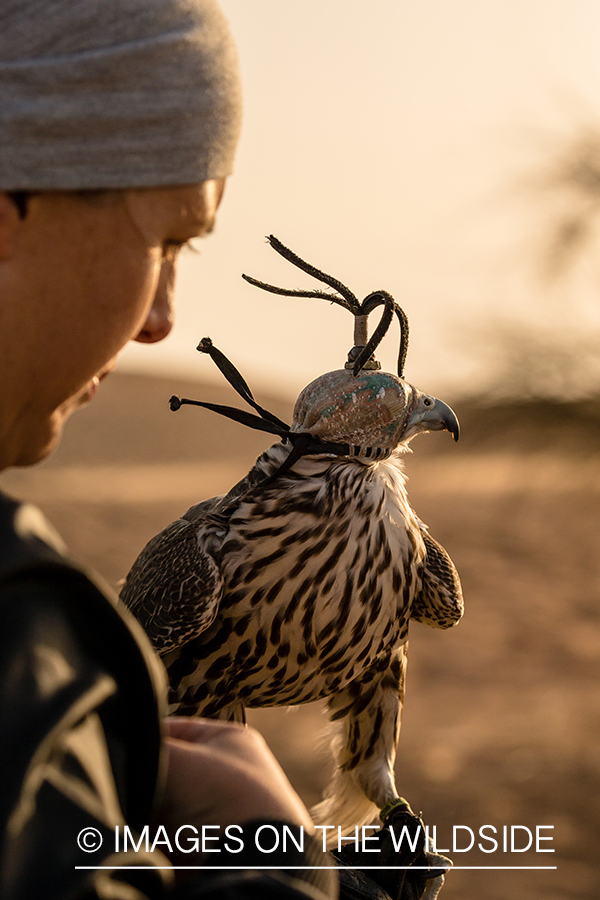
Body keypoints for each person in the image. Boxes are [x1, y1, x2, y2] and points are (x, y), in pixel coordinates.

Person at [0, 1, 338, 897]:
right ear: (10, 207)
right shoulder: (12, 632)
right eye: (167, 240)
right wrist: (268, 857)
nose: (162, 322)